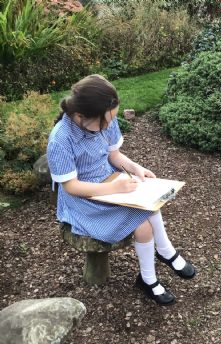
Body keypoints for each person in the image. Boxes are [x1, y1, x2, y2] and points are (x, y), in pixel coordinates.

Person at [47, 74, 196, 306]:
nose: (109, 125)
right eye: (105, 122)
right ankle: (154, 270)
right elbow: (71, 187)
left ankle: (158, 262)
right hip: (83, 201)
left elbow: (114, 155)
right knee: (144, 222)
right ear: (81, 116)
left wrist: (136, 168)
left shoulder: (104, 116)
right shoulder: (61, 140)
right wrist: (112, 187)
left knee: (150, 200)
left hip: (110, 183)